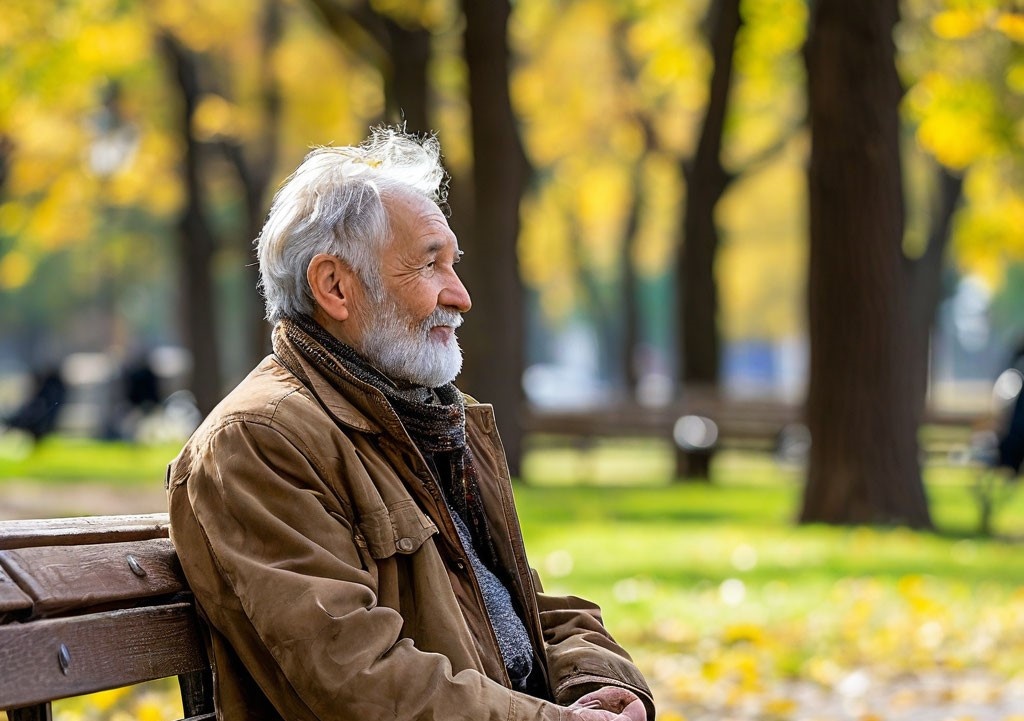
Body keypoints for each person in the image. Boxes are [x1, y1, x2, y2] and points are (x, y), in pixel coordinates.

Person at [166, 127, 654, 721]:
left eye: (455, 264)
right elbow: (355, 677)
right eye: (431, 266)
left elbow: (528, 604)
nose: (461, 295)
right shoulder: (258, 442)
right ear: (335, 287)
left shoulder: (416, 419)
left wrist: (603, 685)